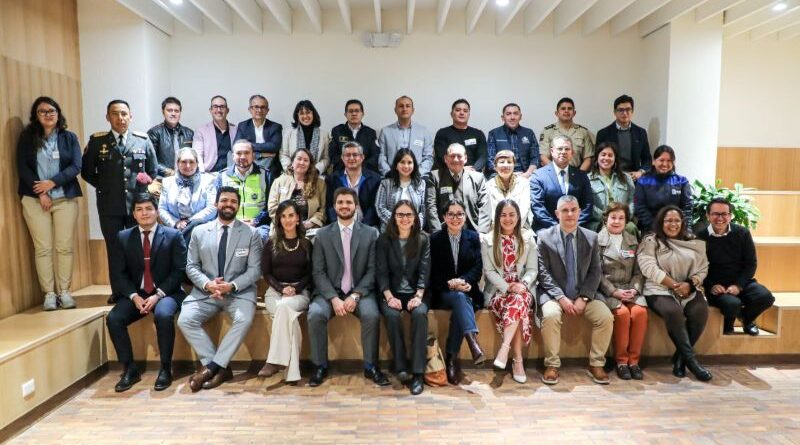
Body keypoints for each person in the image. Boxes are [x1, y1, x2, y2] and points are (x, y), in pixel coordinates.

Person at [178, 186, 263, 391]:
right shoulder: (199, 232)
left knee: (244, 319)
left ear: (238, 206)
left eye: (233, 201)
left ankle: (212, 367)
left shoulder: (251, 233)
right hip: (206, 292)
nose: (228, 204)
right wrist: (208, 284)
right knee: (185, 320)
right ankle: (217, 366)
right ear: (216, 203)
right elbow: (191, 266)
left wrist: (231, 286)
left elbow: (255, 270)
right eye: (224, 200)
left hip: (238, 292)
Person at [308, 187, 390, 387]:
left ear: (356, 206)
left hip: (360, 291)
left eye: (348, 202)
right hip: (330, 292)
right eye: (340, 202)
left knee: (371, 315)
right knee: (315, 314)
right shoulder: (322, 235)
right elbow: (318, 272)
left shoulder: (371, 233)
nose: (344, 206)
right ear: (334, 206)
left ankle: (371, 366)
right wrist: (333, 298)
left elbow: (372, 270)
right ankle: (320, 366)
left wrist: (355, 295)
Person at [106, 194, 187, 392]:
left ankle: (165, 368)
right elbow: (118, 273)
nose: (144, 213)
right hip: (137, 294)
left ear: (157, 212)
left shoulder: (173, 236)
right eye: (139, 209)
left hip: (166, 293)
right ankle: (129, 368)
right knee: (114, 319)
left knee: (163, 315)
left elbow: (179, 271)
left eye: (149, 209)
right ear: (133, 214)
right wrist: (133, 296)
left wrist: (158, 295)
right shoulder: (123, 237)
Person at [82, 99, 157, 300]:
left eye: (124, 114)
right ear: (108, 117)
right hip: (109, 205)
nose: (120, 118)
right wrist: (106, 187)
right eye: (115, 114)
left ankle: (139, 290)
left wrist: (143, 186)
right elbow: (87, 172)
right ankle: (119, 292)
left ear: (130, 116)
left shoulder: (142, 140)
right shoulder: (97, 142)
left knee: (138, 248)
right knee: (114, 249)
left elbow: (152, 170)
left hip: (137, 206)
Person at [537, 195, 613, 385]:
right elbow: (543, 273)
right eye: (565, 210)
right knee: (551, 315)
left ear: (579, 212)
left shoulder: (591, 237)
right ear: (557, 214)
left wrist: (584, 297)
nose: (569, 214)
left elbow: (595, 271)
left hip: (584, 295)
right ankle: (552, 365)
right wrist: (561, 297)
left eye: (573, 210)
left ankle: (596, 364)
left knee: (605, 317)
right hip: (554, 295)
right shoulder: (544, 237)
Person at [17, 96, 82, 310]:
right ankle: (49, 294)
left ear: (58, 113)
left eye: (52, 111)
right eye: (42, 111)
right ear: (36, 115)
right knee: (43, 248)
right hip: (34, 199)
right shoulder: (27, 137)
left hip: (64, 198)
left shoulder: (69, 137)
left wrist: (52, 183)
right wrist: (41, 193)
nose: (48, 114)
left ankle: (64, 292)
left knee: (64, 247)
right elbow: (22, 166)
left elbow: (76, 166)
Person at [638, 205, 712, 382]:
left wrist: (690, 284)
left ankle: (680, 359)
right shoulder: (651, 241)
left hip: (688, 288)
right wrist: (674, 285)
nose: (673, 224)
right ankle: (692, 362)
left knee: (700, 311)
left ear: (683, 222)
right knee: (673, 312)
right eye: (668, 220)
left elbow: (703, 268)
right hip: (659, 288)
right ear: (661, 222)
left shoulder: (693, 242)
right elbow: (648, 267)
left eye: (677, 220)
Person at [696, 198, 775, 336]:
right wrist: (711, 285)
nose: (720, 218)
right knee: (732, 304)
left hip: (741, 282)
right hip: (716, 286)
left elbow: (751, 263)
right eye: (715, 214)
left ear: (730, 216)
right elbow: (697, 267)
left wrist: (738, 285)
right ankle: (729, 326)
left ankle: (747, 319)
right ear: (708, 215)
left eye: (724, 214)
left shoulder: (742, 233)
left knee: (766, 297)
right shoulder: (700, 237)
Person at [376, 201, 431, 395]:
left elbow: (425, 269)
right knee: (392, 315)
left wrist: (419, 295)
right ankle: (401, 367)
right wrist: (389, 296)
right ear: (394, 218)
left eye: (408, 215)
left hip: (417, 293)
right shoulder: (384, 240)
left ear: (415, 218)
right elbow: (381, 271)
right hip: (391, 292)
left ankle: (418, 373)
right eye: (400, 215)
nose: (404, 218)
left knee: (420, 314)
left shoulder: (423, 239)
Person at [429, 199, 485, 384]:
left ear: (465, 216)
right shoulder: (435, 239)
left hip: (467, 291)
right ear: (444, 217)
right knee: (460, 298)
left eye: (459, 214)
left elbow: (477, 267)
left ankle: (451, 358)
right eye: (451, 214)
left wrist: (464, 281)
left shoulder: (473, 237)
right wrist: (451, 284)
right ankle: (471, 342)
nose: (455, 218)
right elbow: (433, 272)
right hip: (443, 292)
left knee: (462, 300)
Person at [481, 200, 538, 384]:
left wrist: (523, 284)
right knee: (517, 304)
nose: (507, 219)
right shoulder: (487, 240)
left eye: (511, 214)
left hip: (523, 289)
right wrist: (508, 287)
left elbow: (532, 269)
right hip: (499, 291)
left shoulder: (528, 238)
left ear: (518, 217)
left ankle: (505, 350)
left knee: (518, 300)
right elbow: (489, 271)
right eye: (503, 215)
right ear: (497, 218)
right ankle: (517, 361)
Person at [258, 201, 313, 383]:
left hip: (300, 293)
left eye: (291, 215)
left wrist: (296, 288)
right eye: (283, 216)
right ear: (279, 220)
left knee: (284, 308)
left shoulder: (307, 244)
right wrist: (281, 289)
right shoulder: (271, 243)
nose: (287, 220)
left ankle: (274, 360)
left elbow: (310, 274)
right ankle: (292, 374)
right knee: (291, 320)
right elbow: (266, 273)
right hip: (275, 292)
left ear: (298, 218)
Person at [596, 203, 646, 380]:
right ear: (606, 219)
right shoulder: (597, 240)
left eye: (621, 218)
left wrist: (634, 289)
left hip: (630, 289)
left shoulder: (633, 240)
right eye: (613, 217)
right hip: (608, 290)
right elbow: (596, 273)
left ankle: (634, 362)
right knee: (622, 314)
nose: (617, 221)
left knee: (640, 313)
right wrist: (614, 292)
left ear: (626, 221)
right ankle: (622, 362)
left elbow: (639, 271)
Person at [530, 135, 593, 231]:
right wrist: (557, 228)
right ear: (552, 151)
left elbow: (588, 204)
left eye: (567, 149)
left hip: (576, 229)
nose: (563, 152)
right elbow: (537, 206)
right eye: (560, 149)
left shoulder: (581, 176)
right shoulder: (539, 176)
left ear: (572, 153)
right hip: (547, 229)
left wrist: (574, 226)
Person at [425, 143, 490, 233]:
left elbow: (485, 207)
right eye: (452, 156)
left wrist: (481, 234)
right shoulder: (435, 177)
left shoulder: (478, 178)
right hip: (443, 232)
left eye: (459, 156)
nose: (456, 159)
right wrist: (437, 233)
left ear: (465, 158)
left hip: (473, 231)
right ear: (445, 158)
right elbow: (431, 206)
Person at [158, 147, 218, 244]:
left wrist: (189, 223)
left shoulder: (209, 180)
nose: (188, 165)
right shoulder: (167, 182)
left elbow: (212, 208)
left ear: (197, 163)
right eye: (183, 162)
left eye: (191, 162)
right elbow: (162, 209)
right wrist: (176, 223)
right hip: (174, 230)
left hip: (201, 229)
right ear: (178, 163)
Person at [216, 140, 271, 241]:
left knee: (261, 237)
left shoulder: (266, 175)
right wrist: (233, 222)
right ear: (233, 156)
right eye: (238, 153)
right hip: (229, 223)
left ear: (253, 155)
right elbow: (218, 206)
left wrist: (255, 221)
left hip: (258, 225)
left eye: (246, 153)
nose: (242, 157)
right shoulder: (222, 177)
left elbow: (270, 206)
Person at [634, 145, 693, 233]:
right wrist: (655, 227)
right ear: (653, 161)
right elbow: (640, 207)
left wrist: (687, 229)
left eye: (669, 160)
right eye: (661, 160)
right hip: (650, 229)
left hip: (676, 229)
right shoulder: (643, 181)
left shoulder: (682, 181)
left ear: (673, 162)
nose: (665, 164)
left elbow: (687, 207)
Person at [325, 141, 382, 228]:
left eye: (355, 155)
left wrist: (363, 227)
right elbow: (330, 207)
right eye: (347, 155)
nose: (351, 158)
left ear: (362, 157)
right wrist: (339, 225)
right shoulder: (333, 179)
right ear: (342, 158)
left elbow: (373, 208)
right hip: (340, 225)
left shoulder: (375, 179)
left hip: (367, 226)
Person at [268, 148, 326, 231]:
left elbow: (322, 210)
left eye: (306, 160)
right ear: (292, 162)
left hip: (309, 228)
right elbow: (272, 208)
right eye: (299, 159)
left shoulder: (319, 183)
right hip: (283, 228)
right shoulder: (279, 182)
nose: (302, 162)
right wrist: (288, 223)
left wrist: (310, 223)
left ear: (310, 165)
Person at [596, 94, 651, 180]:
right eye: (621, 110)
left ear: (632, 111)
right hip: (611, 177)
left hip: (634, 178)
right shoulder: (603, 133)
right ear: (615, 112)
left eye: (628, 109)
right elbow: (597, 159)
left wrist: (640, 172)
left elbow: (647, 159)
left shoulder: (641, 133)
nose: (625, 113)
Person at [147, 96, 194, 195]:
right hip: (162, 180)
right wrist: (170, 172)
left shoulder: (189, 133)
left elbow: (194, 158)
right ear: (163, 112)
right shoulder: (154, 132)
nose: (173, 113)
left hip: (186, 180)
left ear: (180, 113)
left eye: (176, 111)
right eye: (169, 110)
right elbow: (150, 160)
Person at [377, 96, 434, 176]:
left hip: (418, 176)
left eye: (408, 106)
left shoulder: (424, 131)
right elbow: (382, 156)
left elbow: (428, 157)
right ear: (395, 110)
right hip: (392, 176)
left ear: (412, 110)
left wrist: (418, 173)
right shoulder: (385, 132)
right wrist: (389, 173)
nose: (404, 109)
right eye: (401, 106)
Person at [587, 142, 636, 233]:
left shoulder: (626, 178)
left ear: (615, 159)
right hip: (598, 222)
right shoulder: (587, 180)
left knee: (631, 227)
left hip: (622, 221)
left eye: (610, 155)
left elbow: (632, 200)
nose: (606, 158)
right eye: (603, 155)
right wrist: (607, 218)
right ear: (597, 157)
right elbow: (588, 205)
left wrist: (623, 217)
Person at [375, 149, 426, 231]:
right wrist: (398, 223)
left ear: (414, 165)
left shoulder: (421, 184)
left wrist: (415, 225)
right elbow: (380, 207)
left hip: (414, 231)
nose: (406, 166)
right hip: (390, 231)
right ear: (396, 165)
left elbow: (424, 210)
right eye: (402, 162)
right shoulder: (385, 184)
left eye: (409, 162)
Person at [539, 98, 595, 171]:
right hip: (553, 172)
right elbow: (543, 157)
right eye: (563, 108)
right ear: (557, 113)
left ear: (574, 113)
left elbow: (588, 159)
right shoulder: (547, 131)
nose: (566, 111)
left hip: (577, 172)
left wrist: (579, 174)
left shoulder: (583, 132)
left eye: (569, 108)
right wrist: (557, 172)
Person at [433, 99, 487, 173]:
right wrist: (461, 170)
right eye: (458, 110)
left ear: (469, 115)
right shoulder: (442, 133)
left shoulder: (478, 134)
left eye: (465, 111)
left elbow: (483, 156)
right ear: (451, 114)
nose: (462, 113)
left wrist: (473, 169)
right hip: (449, 173)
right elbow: (442, 157)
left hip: (473, 173)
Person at [483, 150, 532, 231]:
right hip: (495, 229)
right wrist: (502, 230)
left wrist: (513, 229)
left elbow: (524, 209)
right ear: (495, 166)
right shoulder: (488, 186)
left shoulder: (524, 183)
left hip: (520, 228)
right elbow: (490, 213)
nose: (506, 165)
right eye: (502, 162)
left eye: (509, 162)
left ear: (514, 165)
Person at [486, 103, 540, 177]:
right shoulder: (494, 134)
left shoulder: (529, 133)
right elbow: (490, 160)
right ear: (502, 117)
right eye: (508, 114)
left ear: (520, 117)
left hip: (525, 174)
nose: (512, 117)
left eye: (515, 114)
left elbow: (535, 158)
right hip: (500, 174)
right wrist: (508, 175)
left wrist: (527, 174)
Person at [236, 94, 282, 179]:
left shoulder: (275, 127)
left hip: (269, 166)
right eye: (256, 107)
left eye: (263, 107)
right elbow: (237, 146)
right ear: (250, 109)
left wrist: (248, 145)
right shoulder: (243, 126)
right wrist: (260, 154)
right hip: (248, 163)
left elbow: (274, 146)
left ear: (267, 110)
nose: (259, 110)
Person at [328, 99, 380, 174]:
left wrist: (359, 167)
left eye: (357, 111)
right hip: (342, 172)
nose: (354, 114)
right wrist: (349, 166)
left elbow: (375, 155)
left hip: (365, 172)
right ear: (345, 114)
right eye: (350, 111)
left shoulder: (370, 133)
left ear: (362, 114)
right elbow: (333, 155)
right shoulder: (337, 131)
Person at [280, 100, 330, 175]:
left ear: (313, 114)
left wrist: (316, 169)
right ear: (297, 116)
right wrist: (290, 167)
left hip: (315, 174)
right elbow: (284, 154)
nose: (305, 116)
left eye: (308, 112)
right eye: (301, 113)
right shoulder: (288, 133)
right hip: (292, 173)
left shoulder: (324, 134)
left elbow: (326, 158)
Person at [193, 95, 237, 173]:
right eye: (215, 106)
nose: (219, 110)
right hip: (210, 173)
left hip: (232, 174)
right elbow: (197, 156)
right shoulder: (201, 131)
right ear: (210, 110)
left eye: (222, 107)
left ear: (227, 110)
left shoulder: (236, 130)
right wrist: (202, 174)